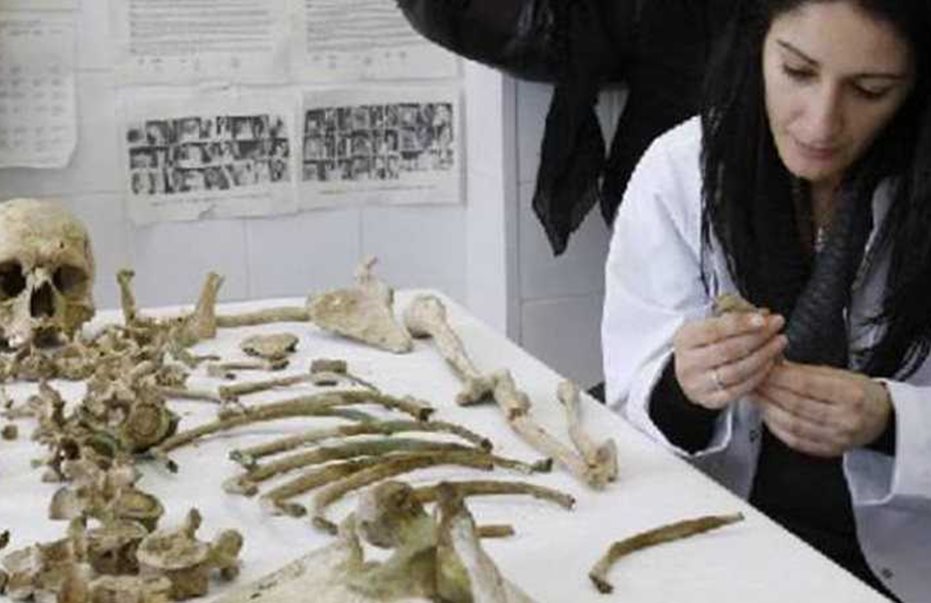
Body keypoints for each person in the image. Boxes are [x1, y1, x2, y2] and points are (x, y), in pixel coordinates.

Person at [601, 2, 931, 601]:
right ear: (757, 42)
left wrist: (891, 423)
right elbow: (632, 405)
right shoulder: (680, 171)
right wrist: (685, 387)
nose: (822, 124)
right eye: (797, 72)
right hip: (730, 542)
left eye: (870, 90)